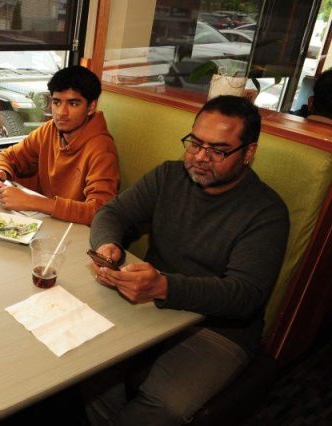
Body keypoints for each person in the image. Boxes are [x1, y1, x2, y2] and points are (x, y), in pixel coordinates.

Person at [84, 95, 289, 425]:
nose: (200, 158)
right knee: (89, 360)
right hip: (150, 304)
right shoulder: (168, 176)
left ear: (248, 153)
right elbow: (112, 213)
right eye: (195, 143)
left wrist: (164, 287)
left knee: (166, 404)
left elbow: (245, 295)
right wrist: (107, 244)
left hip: (220, 328)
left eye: (218, 150)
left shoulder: (266, 212)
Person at [0, 65, 120, 226]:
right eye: (57, 102)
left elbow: (99, 211)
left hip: (78, 233)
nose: (61, 112)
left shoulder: (102, 148)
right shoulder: (50, 129)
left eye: (73, 104)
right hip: (49, 224)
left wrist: (33, 202)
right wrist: (0, 173)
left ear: (91, 107)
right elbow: (8, 156)